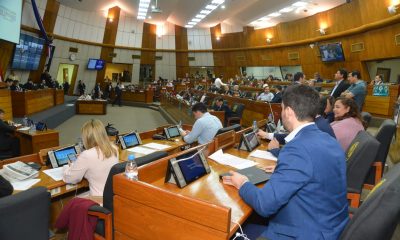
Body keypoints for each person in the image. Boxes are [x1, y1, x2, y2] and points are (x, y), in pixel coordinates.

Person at [223, 85, 348, 240]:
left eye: (281, 109)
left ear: (288, 111)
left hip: (305, 232)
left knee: (227, 229)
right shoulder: (327, 139)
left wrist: (243, 183)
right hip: (330, 224)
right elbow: (316, 172)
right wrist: (284, 169)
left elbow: (264, 205)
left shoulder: (297, 148)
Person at [259, 94, 336, 157]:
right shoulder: (319, 122)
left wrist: (274, 150)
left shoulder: (316, 127)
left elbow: (294, 156)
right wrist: (267, 135)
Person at [63, 119, 119, 196]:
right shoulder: (114, 148)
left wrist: (68, 167)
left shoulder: (87, 155)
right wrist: (82, 160)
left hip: (98, 200)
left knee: (70, 203)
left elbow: (71, 179)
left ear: (86, 137)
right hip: (113, 197)